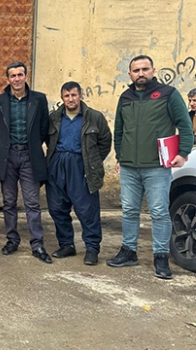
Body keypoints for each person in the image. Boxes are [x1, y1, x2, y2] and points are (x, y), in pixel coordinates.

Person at [107, 55, 194, 279]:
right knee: (129, 211)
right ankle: (129, 251)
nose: (141, 73)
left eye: (145, 69)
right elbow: (119, 130)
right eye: (136, 70)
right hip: (129, 168)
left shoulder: (168, 94)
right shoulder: (125, 97)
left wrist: (183, 153)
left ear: (153, 70)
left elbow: (184, 125)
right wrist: (120, 155)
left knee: (158, 212)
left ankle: (161, 257)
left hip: (157, 167)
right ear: (130, 74)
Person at [45, 81, 112, 266]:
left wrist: (92, 162)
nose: (70, 99)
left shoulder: (94, 117)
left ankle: (92, 248)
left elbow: (105, 141)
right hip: (57, 165)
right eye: (66, 96)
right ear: (62, 98)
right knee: (57, 208)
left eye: (74, 95)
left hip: (81, 166)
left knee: (87, 209)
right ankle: (66, 244)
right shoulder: (54, 118)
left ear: (80, 96)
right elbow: (46, 139)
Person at [0, 62, 51, 264]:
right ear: (7, 79)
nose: (16, 79)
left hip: (29, 156)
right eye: (12, 75)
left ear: (26, 76)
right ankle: (12, 240)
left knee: (32, 203)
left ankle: (37, 244)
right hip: (7, 157)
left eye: (20, 74)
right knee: (9, 202)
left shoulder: (39, 99)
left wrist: (32, 147)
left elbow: (43, 128)